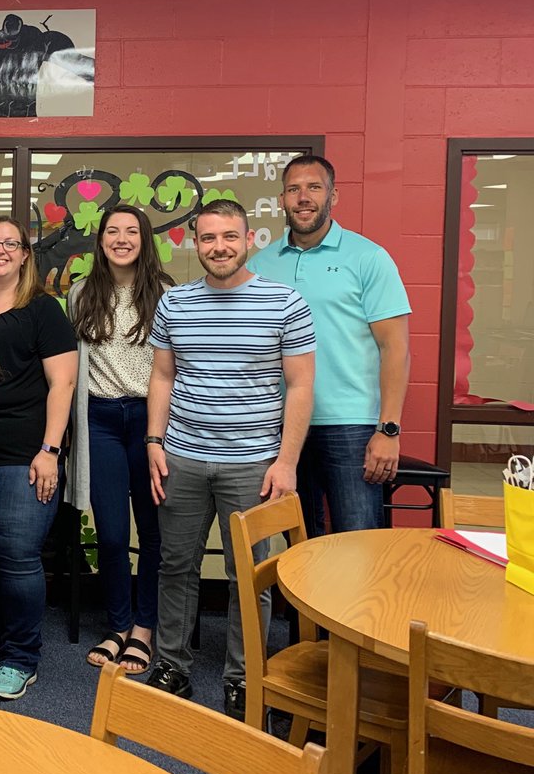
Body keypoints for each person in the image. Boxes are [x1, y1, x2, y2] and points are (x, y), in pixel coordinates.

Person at [144, 199, 315, 722]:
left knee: (249, 577)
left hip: (255, 463)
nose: (219, 247)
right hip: (184, 459)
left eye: (229, 237)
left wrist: (286, 461)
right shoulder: (174, 304)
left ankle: (243, 678)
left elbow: (301, 386)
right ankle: (172, 664)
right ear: (196, 242)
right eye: (209, 238)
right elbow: (163, 377)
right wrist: (154, 442)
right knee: (176, 566)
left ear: (249, 239)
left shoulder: (286, 303)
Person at [248, 155, 411, 536]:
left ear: (333, 196)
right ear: (282, 199)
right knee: (296, 544)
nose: (303, 197)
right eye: (294, 189)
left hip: (350, 425)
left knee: (356, 541)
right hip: (281, 427)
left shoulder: (368, 258)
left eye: (314, 187)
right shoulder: (260, 264)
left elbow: (396, 349)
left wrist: (388, 430)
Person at [0, 217, 76, 700]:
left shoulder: (43, 310)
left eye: (11, 244)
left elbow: (63, 384)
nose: (1, 250)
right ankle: (9, 644)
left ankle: (23, 658)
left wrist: (50, 451)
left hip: (25, 454)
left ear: (25, 255)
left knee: (18, 556)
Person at [66, 204, 173, 677]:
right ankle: (118, 625)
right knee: (110, 534)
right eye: (113, 230)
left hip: (151, 424)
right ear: (101, 240)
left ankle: (145, 629)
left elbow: (174, 368)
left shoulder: (168, 293)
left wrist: (162, 432)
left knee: (152, 532)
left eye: (132, 231)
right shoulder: (80, 294)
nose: (122, 238)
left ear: (144, 239)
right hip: (101, 421)